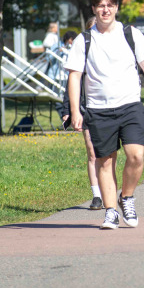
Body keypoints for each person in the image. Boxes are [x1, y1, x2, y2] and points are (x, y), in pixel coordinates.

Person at [66, 0, 144, 230]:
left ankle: (126, 197)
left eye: (109, 5)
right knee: (104, 162)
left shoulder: (131, 34)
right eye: (100, 5)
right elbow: (75, 76)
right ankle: (110, 212)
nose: (105, 10)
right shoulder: (84, 39)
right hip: (98, 109)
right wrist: (76, 111)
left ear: (116, 7)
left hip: (130, 105)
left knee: (136, 155)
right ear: (94, 9)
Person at [58, 26, 111, 211]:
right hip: (86, 110)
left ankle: (109, 192)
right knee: (92, 152)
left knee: (108, 155)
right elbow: (71, 85)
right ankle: (97, 195)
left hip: (108, 109)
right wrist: (68, 110)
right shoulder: (82, 54)